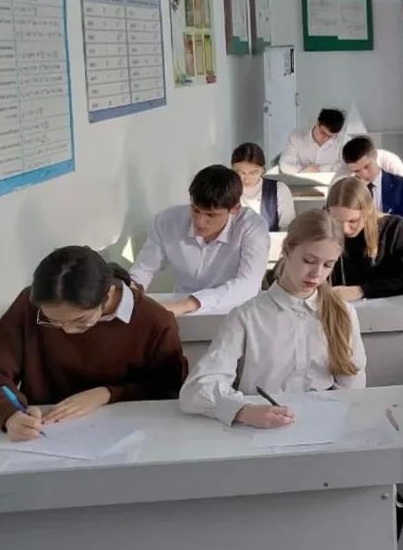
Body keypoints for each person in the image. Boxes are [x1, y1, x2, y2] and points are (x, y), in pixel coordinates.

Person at [0, 246, 187, 439]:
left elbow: (169, 390)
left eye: (80, 321)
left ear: (109, 293)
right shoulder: (29, 306)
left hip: (127, 438)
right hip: (45, 436)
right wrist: (9, 415)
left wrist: (108, 394)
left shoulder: (155, 321)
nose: (67, 330)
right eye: (52, 321)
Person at [179, 210, 365, 426]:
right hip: (262, 429)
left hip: (325, 425)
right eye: (309, 260)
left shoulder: (344, 313)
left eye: (328, 265)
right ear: (287, 250)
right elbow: (196, 390)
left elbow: (353, 383)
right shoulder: (247, 316)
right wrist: (242, 411)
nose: (317, 274)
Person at [130, 165, 270, 316]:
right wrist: (128, 296)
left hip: (235, 312)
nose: (200, 222)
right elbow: (144, 269)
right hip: (181, 312)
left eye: (211, 215)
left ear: (235, 209)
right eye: (195, 210)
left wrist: (189, 304)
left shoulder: (253, 227)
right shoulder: (167, 221)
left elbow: (248, 285)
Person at [325, 178, 403, 301]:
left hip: (390, 307)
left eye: (353, 221)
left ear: (368, 211)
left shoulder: (393, 228)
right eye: (336, 221)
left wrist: (361, 290)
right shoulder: (323, 232)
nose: (345, 229)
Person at [340, 136, 403, 232]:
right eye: (357, 171)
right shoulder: (348, 191)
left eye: (367, 166)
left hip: (394, 238)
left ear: (375, 156)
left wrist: (393, 223)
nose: (364, 174)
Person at [231, 142, 294, 231]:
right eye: (241, 172)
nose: (247, 178)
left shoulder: (279, 190)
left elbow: (287, 228)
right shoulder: (226, 190)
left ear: (263, 170)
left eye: (253, 172)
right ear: (232, 170)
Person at [278, 108, 347, 173]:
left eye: (330, 136)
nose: (325, 139)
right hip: (301, 180)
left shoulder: (342, 140)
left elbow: (346, 166)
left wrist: (320, 169)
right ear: (317, 123)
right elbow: (285, 163)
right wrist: (303, 171)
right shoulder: (297, 137)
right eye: (323, 133)